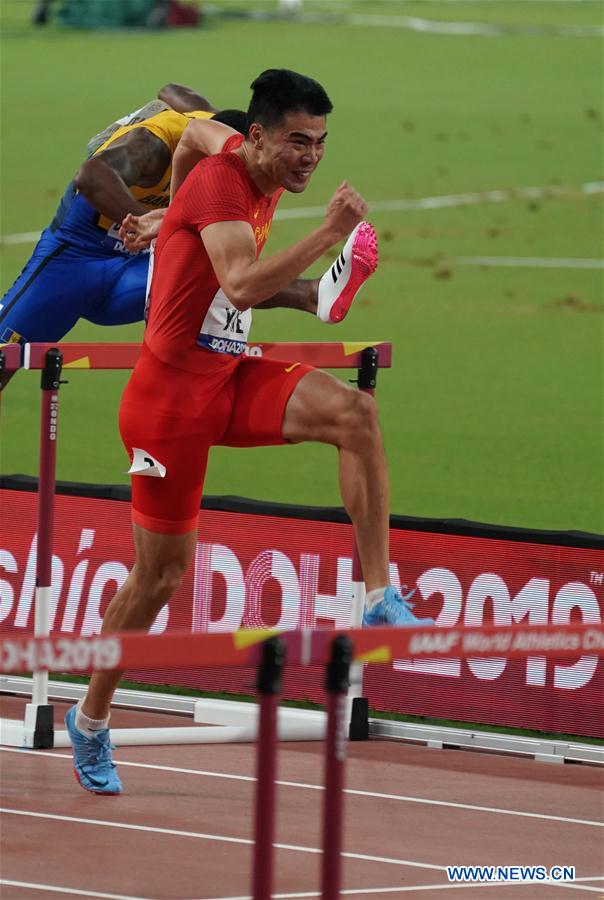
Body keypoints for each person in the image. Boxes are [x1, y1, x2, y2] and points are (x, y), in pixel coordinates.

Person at [64, 68, 433, 795]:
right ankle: (92, 718)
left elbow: (195, 125)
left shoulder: (231, 148)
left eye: (321, 143)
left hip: (227, 375)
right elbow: (238, 284)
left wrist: (163, 204)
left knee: (356, 416)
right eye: (298, 141)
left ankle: (380, 592)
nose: (311, 157)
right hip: (168, 405)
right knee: (158, 575)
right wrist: (328, 234)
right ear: (260, 137)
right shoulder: (222, 187)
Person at [0, 84, 366, 391]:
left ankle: (309, 294)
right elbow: (91, 176)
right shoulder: (155, 148)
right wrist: (151, 219)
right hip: (75, 259)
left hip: (137, 271)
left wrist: (169, 230)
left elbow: (172, 90)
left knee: (214, 266)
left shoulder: (227, 137)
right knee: (3, 359)